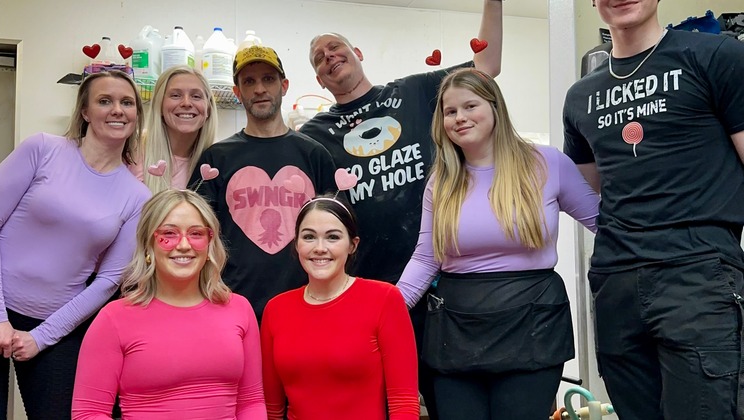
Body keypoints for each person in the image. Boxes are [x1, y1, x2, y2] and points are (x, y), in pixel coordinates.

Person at [298, 3, 503, 417]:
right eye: (320, 59)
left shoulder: (414, 91)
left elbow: (488, 64)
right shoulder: (313, 135)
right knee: (383, 407)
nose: (329, 56)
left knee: (452, 401)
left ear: (357, 52)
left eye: (335, 47)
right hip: (371, 296)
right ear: (319, 79)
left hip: (444, 284)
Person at [562, 1, 744, 419]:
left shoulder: (716, 56)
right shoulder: (580, 96)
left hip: (698, 273)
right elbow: (593, 192)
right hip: (615, 282)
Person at [0, 70, 151, 419]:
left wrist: (42, 337)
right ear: (85, 111)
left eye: (126, 103)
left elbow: (108, 281)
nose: (118, 110)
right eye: (105, 101)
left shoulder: (138, 198)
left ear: (136, 115)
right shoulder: (42, 149)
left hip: (57, 322)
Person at [396, 68, 599, 419]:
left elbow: (606, 223)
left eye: (469, 106)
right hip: (455, 329)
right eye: (450, 111)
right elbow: (426, 258)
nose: (459, 118)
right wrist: (384, 310)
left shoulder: (547, 163)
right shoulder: (440, 182)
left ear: (494, 107)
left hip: (533, 322)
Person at [71, 189, 265, 419]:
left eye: (196, 233)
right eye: (169, 234)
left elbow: (251, 403)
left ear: (210, 242)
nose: (183, 245)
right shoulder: (113, 319)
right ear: (148, 244)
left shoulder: (239, 309)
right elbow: (89, 413)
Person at [188, 45, 336, 320]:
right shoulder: (216, 158)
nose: (259, 89)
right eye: (249, 81)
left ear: (284, 85)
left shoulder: (314, 155)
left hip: (307, 303)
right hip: (232, 306)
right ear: (237, 92)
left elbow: (335, 234)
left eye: (268, 79)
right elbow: (197, 234)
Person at [261, 193, 419, 420]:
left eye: (333, 237)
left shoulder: (384, 299)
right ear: (296, 244)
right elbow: (271, 409)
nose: (320, 248)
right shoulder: (276, 310)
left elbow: (404, 404)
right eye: (309, 237)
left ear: (352, 245)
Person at [129, 65, 218, 193]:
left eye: (196, 96)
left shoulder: (215, 162)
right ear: (159, 106)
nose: (186, 103)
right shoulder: (131, 150)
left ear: (208, 108)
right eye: (175, 95)